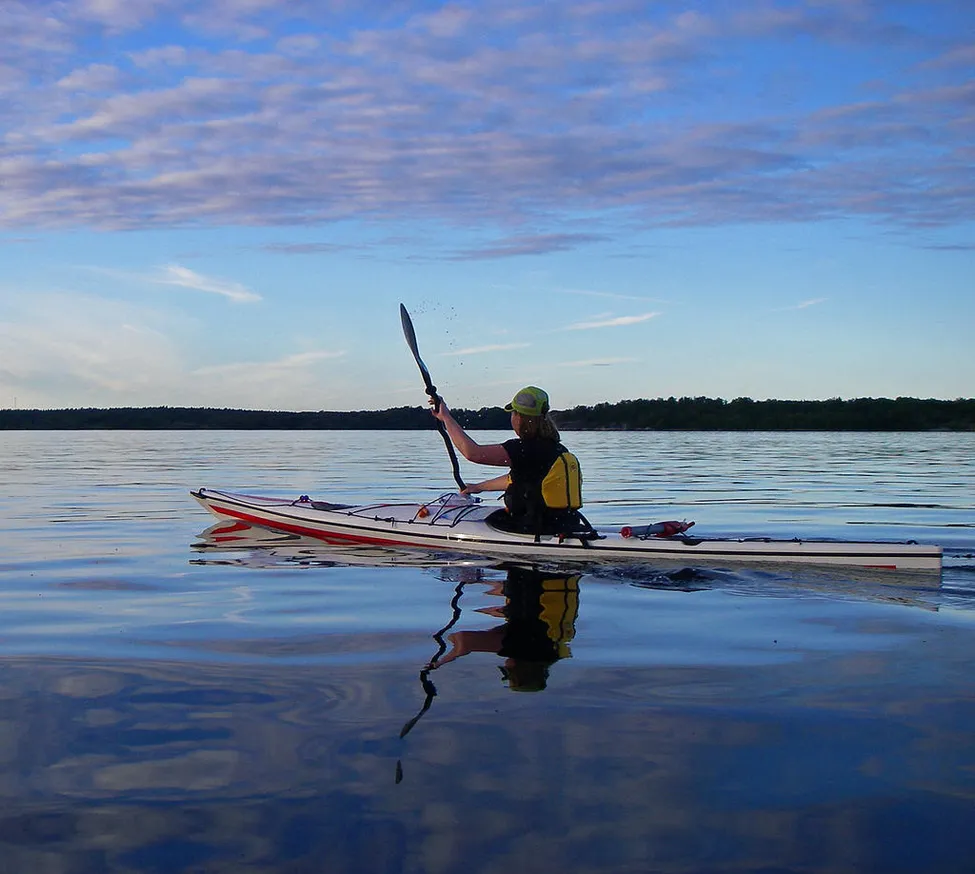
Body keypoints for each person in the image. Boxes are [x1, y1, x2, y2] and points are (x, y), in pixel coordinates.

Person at [429, 386, 585, 535]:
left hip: (533, 528)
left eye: (513, 413)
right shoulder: (557, 449)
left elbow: (473, 453)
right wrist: (478, 487)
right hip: (566, 524)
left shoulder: (523, 449)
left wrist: (446, 417)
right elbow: (521, 480)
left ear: (518, 417)